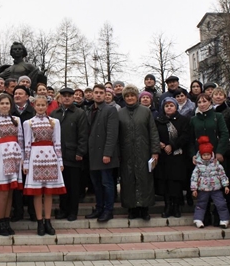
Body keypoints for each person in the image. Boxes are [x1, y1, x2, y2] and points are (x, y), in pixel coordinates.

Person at [23, 95, 65, 236]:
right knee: (37, 192)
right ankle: (39, 222)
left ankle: (48, 220)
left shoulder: (54, 122)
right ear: (34, 106)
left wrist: (60, 161)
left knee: (48, 192)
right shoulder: (28, 123)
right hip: (35, 157)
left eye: (43, 105)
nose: (40, 107)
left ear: (47, 106)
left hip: (50, 156)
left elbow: (57, 142)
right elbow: (27, 144)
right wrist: (26, 162)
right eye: (38, 105)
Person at [118, 85, 160, 221]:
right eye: (127, 96)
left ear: (137, 97)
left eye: (132, 95)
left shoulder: (145, 112)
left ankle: (144, 208)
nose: (130, 98)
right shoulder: (120, 113)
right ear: (124, 98)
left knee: (144, 179)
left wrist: (155, 151)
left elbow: (153, 132)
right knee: (128, 179)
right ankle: (132, 209)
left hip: (144, 151)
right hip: (126, 153)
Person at [0, 93, 24, 236]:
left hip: (14, 156)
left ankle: (6, 221)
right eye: (2, 103)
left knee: (10, 192)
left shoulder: (17, 120)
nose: (5, 106)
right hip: (0, 156)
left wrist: (22, 158)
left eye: (7, 103)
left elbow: (20, 140)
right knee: (2, 192)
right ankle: (0, 222)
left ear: (11, 105)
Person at [189, 93, 229, 226]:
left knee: (218, 191)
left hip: (215, 157)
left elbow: (224, 134)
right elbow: (190, 139)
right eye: (199, 102)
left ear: (210, 102)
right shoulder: (194, 119)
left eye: (204, 101)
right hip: (200, 158)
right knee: (202, 191)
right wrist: (192, 154)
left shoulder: (218, 116)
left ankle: (220, 218)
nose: (202, 104)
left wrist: (219, 152)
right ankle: (203, 218)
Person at [51, 87, 88, 222]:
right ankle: (63, 210)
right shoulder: (55, 114)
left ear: (73, 98)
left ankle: (73, 212)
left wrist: (80, 151)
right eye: (64, 95)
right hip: (58, 155)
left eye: (69, 96)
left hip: (73, 155)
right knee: (63, 185)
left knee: (74, 186)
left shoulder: (79, 113)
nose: (66, 98)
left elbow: (83, 134)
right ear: (59, 98)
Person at [85, 84, 119, 222]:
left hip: (104, 154)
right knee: (96, 184)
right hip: (92, 154)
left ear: (105, 95)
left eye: (101, 92)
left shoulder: (110, 110)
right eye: (96, 92)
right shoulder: (89, 110)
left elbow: (112, 133)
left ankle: (108, 210)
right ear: (92, 94)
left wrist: (108, 153)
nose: (98, 95)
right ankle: (99, 208)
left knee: (107, 183)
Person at [154, 98, 191, 218]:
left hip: (177, 156)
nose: (169, 107)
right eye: (166, 106)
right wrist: (160, 144)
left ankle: (176, 206)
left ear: (176, 107)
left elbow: (186, 136)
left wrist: (172, 145)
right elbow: (154, 134)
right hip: (163, 157)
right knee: (165, 183)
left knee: (176, 183)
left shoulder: (183, 120)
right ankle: (167, 205)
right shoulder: (158, 121)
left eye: (171, 105)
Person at [211, 87, 230, 216]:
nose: (218, 97)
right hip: (211, 152)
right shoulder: (209, 111)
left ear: (224, 97)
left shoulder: (229, 111)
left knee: (228, 180)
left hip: (227, 152)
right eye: (215, 94)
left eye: (220, 94)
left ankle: (229, 206)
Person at [191, 136, 230, 229]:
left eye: (208, 155)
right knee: (201, 204)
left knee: (221, 204)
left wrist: (226, 185)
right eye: (204, 155)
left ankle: (224, 219)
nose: (206, 157)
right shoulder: (198, 166)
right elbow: (194, 178)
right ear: (201, 155)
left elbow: (222, 174)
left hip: (215, 188)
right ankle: (198, 219)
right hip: (203, 189)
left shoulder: (216, 164)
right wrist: (194, 189)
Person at [11, 85, 36, 221]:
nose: (17, 96)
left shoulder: (33, 112)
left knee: (30, 182)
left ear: (27, 96)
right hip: (13, 152)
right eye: (15, 93)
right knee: (16, 184)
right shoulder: (9, 112)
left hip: (31, 151)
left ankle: (32, 211)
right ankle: (18, 212)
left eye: (20, 93)